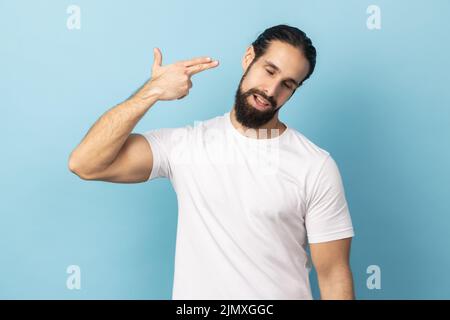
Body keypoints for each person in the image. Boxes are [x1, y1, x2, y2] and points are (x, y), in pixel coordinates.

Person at [69, 24, 355, 300]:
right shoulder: (187, 146)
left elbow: (333, 275)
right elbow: (86, 163)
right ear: (248, 58)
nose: (271, 90)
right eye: (269, 71)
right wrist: (152, 91)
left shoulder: (315, 166)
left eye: (287, 84)